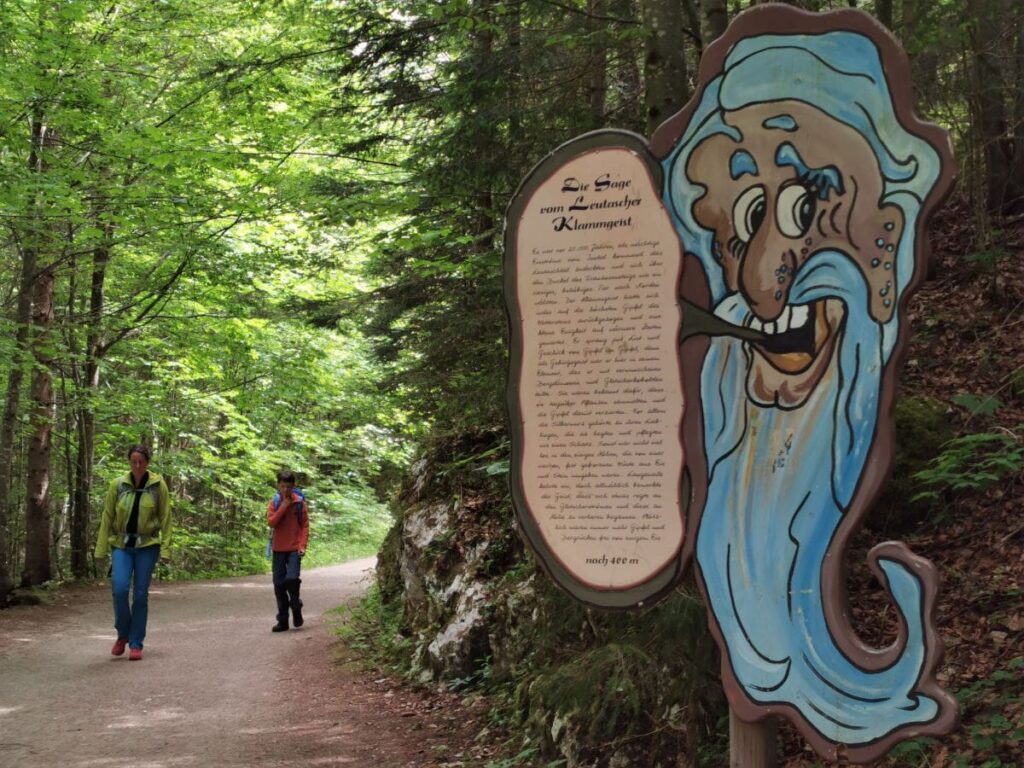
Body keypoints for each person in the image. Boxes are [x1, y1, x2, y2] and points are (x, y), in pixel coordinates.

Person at [94, 444, 172, 661]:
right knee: (119, 589)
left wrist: (166, 549)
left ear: (147, 463)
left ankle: (136, 642)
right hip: (121, 546)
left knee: (139, 595)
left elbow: (166, 518)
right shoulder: (117, 485)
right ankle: (123, 634)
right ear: (129, 462)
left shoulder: (158, 486)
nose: (137, 466)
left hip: (147, 546)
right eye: (133, 462)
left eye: (141, 462)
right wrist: (100, 549)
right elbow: (107, 517)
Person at [268, 470, 309, 632]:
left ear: (293, 486)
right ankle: (283, 620)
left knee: (292, 578)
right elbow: (272, 523)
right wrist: (283, 506)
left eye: (289, 487)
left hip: (294, 549)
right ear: (278, 485)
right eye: (283, 486)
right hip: (278, 548)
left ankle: (296, 605)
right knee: (278, 585)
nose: (285, 490)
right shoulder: (275, 503)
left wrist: (302, 545)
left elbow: (305, 526)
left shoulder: (299, 503)